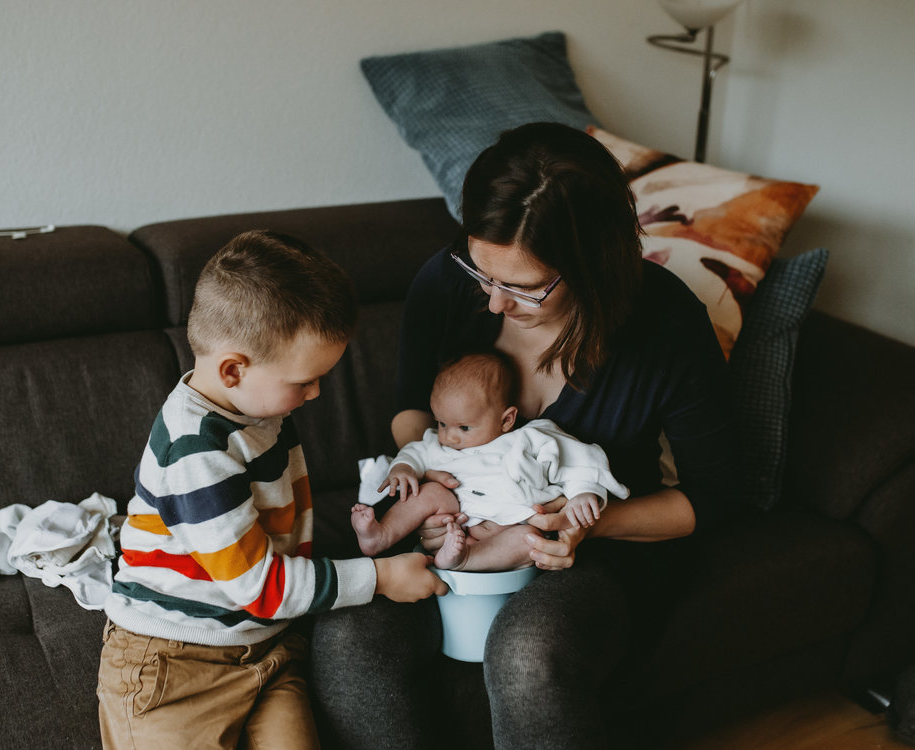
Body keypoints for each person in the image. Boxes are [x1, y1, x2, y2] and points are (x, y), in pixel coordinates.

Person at [311, 123, 736, 749]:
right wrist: (429, 485)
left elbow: (714, 497)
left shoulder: (665, 324)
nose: (492, 304)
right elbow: (409, 412)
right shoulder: (446, 284)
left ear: (593, 264)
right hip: (455, 523)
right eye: (482, 273)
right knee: (349, 636)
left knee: (528, 652)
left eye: (525, 288)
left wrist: (588, 525)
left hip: (600, 545)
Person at [96, 230, 448, 750]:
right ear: (233, 370)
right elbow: (259, 586)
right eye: (304, 380)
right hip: (174, 663)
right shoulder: (197, 450)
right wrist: (380, 577)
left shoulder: (260, 408)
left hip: (266, 647)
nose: (317, 392)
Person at [351, 351, 630, 571]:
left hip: (508, 526)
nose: (449, 436)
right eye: (441, 422)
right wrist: (403, 468)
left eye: (464, 427)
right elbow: (415, 452)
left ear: (506, 419)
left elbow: (577, 461)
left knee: (530, 540)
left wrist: (582, 493)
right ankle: (381, 535)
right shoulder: (441, 443)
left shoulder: (529, 439)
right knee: (430, 492)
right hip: (455, 518)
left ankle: (466, 558)